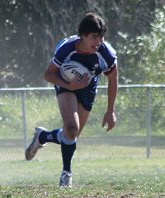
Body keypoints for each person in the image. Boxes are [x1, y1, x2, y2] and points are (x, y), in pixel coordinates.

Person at [25, 13, 118, 188]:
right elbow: (48, 74)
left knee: (71, 135)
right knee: (72, 128)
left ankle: (42, 136)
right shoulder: (67, 49)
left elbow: (113, 79)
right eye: (94, 37)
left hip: (89, 88)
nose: (98, 41)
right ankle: (66, 175)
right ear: (83, 35)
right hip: (66, 84)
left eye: (101, 37)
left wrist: (110, 110)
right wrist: (70, 85)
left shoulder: (106, 53)